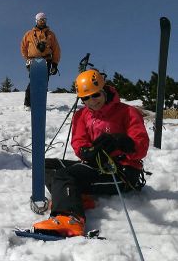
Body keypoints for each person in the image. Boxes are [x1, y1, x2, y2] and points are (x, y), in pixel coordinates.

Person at [33, 69, 149, 237]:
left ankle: (71, 218)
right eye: (86, 98)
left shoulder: (127, 112)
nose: (92, 101)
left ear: (104, 90)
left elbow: (141, 147)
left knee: (63, 176)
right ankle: (76, 196)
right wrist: (87, 151)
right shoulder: (81, 115)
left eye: (95, 95)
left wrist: (122, 142)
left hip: (121, 172)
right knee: (41, 166)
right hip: (96, 165)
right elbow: (79, 141)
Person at [20, 12, 61, 108]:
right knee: (33, 81)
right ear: (36, 21)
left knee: (43, 82)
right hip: (33, 60)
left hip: (46, 60)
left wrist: (55, 64)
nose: (42, 21)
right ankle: (28, 103)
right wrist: (27, 59)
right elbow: (23, 47)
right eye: (40, 20)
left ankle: (40, 103)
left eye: (44, 20)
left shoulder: (51, 35)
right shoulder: (29, 34)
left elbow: (56, 49)